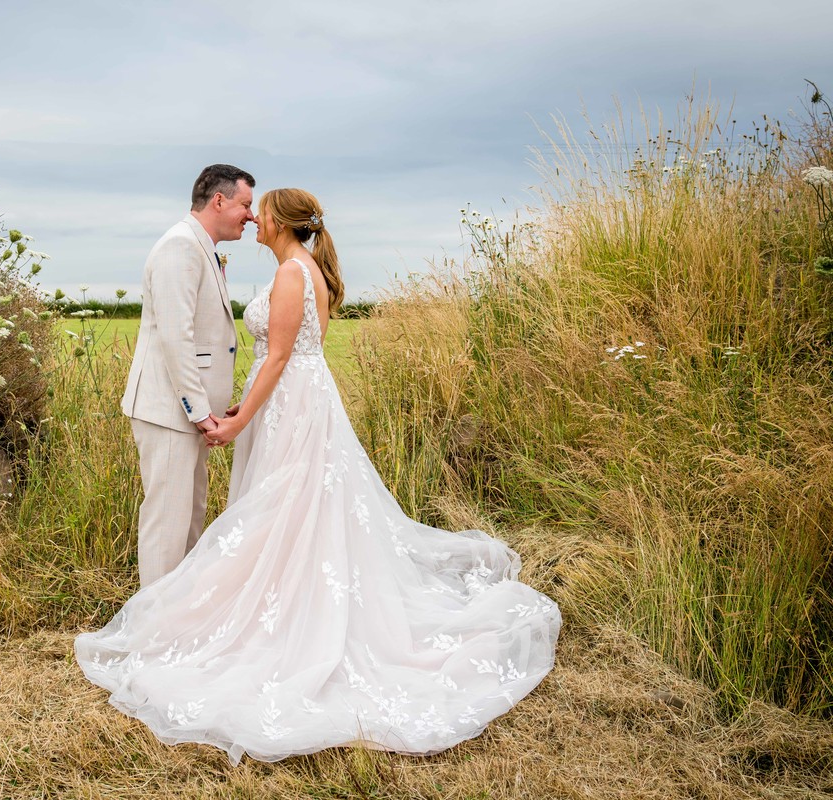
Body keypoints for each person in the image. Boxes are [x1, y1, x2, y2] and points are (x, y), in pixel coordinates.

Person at [79, 188, 560, 765]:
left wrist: (239, 419)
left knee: (284, 504)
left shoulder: (292, 273)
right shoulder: (306, 269)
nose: (254, 219)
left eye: (261, 212)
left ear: (282, 223)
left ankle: (264, 620)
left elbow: (279, 357)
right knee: (290, 507)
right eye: (248, 208)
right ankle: (257, 607)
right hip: (297, 400)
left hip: (290, 404)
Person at [120, 164, 255, 586]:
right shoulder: (179, 247)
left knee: (189, 519)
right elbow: (176, 337)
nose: (251, 216)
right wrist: (198, 411)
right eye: (246, 205)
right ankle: (152, 621)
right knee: (168, 525)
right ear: (219, 200)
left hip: (188, 414)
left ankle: (176, 613)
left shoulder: (200, 247)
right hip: (170, 412)